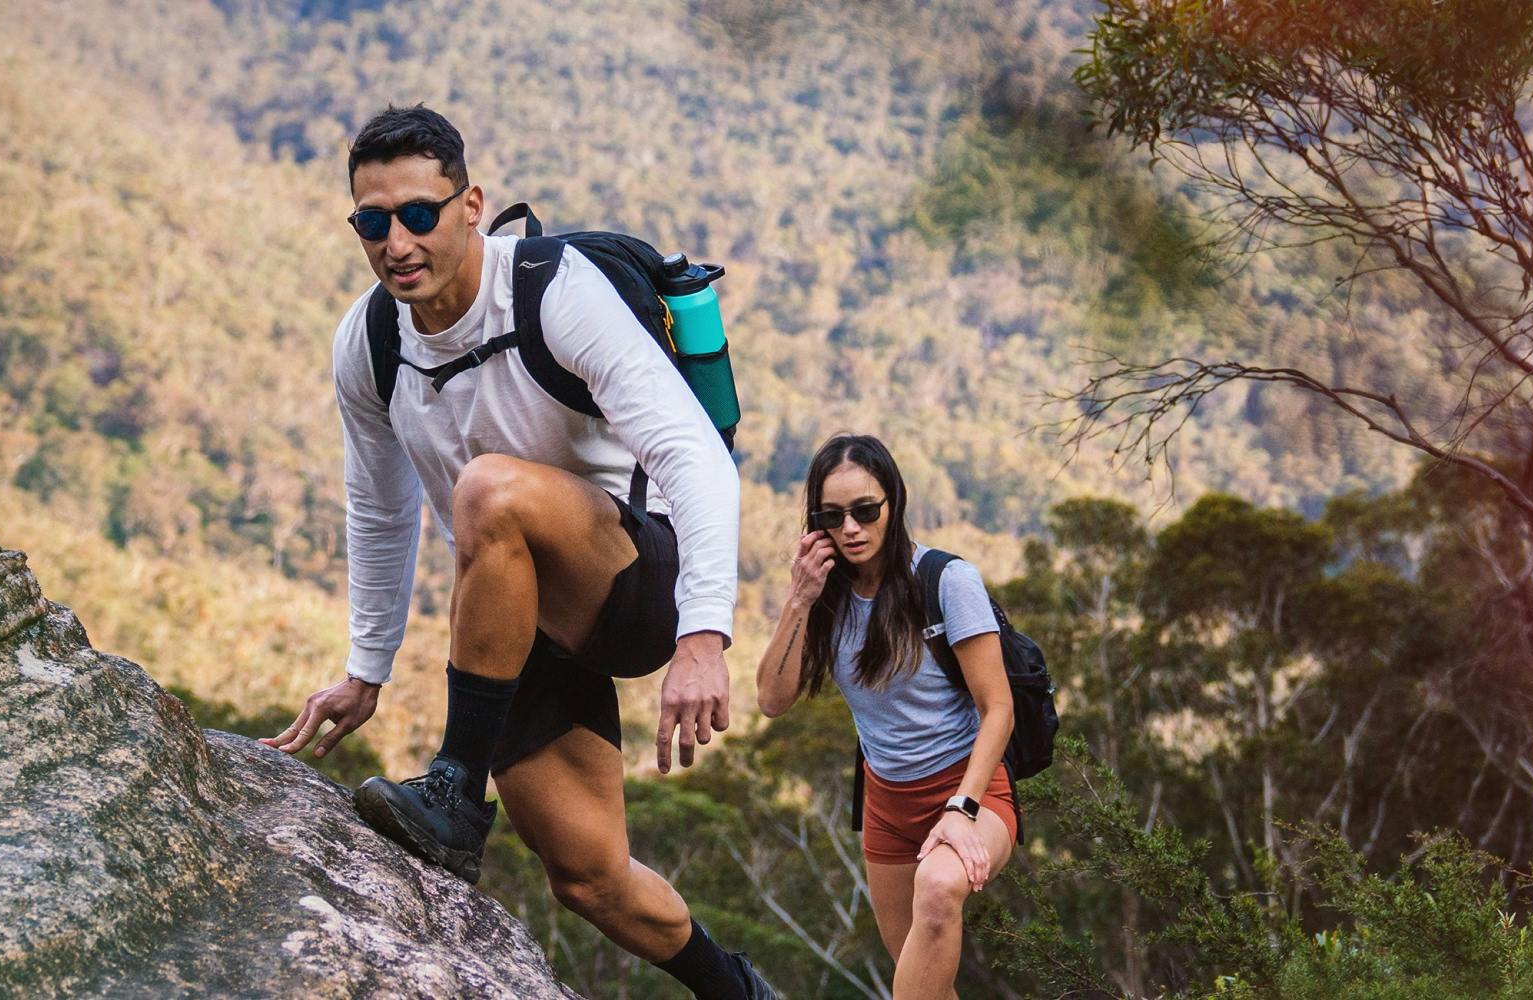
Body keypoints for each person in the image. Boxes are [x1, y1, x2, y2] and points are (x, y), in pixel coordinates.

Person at [258, 105, 774, 1000]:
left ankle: (456, 791)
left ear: (470, 205)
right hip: (521, 615)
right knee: (587, 876)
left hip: (632, 578)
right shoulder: (370, 341)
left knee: (487, 491)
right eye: (371, 221)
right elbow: (379, 512)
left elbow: (694, 454)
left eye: (419, 212)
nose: (397, 242)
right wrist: (365, 670)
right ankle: (737, 990)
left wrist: (704, 637)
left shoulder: (552, 289)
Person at [755, 433, 1016, 1000]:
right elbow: (773, 700)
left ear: (892, 503)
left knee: (940, 889)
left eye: (865, 510)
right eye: (833, 515)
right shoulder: (824, 596)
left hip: (970, 788)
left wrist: (962, 808)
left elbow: (998, 709)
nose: (851, 528)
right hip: (887, 805)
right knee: (922, 980)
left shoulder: (947, 581)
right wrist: (799, 597)